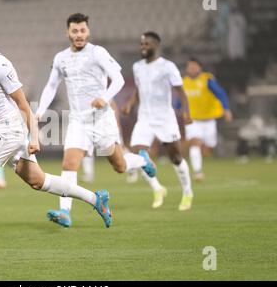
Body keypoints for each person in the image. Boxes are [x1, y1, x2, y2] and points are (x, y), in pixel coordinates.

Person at [0, 11, 113, 262]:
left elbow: (24, 105)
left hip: (8, 128)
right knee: (37, 181)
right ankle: (95, 199)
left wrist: (34, 137)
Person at [36, 13, 156, 228]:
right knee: (69, 164)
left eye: (82, 30)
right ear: (68, 32)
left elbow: (118, 79)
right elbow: (52, 86)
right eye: (75, 31)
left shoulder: (98, 53)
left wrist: (105, 98)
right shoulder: (60, 58)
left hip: (101, 119)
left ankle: (143, 161)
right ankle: (65, 212)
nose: (79, 35)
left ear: (88, 31)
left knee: (119, 166)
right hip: (78, 121)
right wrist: (40, 110)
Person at [121, 32, 194, 211]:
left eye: (146, 44)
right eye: (141, 44)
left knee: (175, 158)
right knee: (139, 154)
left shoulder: (168, 67)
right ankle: (157, 188)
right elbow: (139, 90)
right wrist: (130, 103)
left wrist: (187, 112)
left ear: (156, 45)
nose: (142, 47)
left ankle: (187, 192)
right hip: (144, 117)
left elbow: (181, 91)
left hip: (165, 118)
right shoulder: (137, 66)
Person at [183, 58, 233, 181]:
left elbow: (221, 93)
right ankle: (198, 173)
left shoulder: (207, 80)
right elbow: (180, 100)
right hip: (193, 120)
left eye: (194, 66)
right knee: (194, 143)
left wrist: (226, 109)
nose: (192, 69)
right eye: (190, 67)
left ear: (200, 67)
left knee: (209, 148)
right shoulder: (183, 82)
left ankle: (199, 158)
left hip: (209, 121)